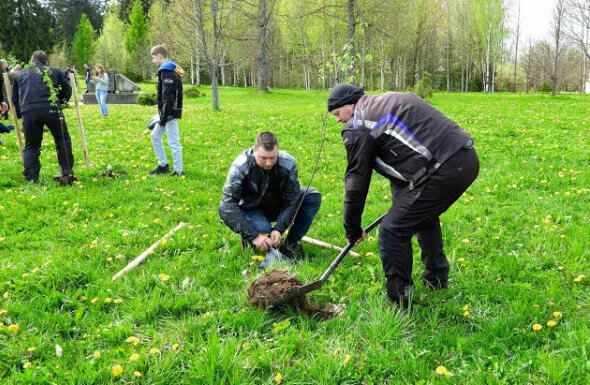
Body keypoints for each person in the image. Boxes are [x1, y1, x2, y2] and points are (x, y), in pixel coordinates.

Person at [327, 84, 479, 307]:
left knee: (393, 229)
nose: (338, 120)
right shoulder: (385, 101)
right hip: (463, 157)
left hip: (445, 167)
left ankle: (400, 299)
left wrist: (351, 227)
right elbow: (402, 159)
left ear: (350, 105)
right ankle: (436, 279)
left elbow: (356, 182)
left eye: (337, 114)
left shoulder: (360, 124)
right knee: (419, 215)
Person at [219, 132, 322, 259]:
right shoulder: (240, 166)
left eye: (273, 158)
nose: (268, 163)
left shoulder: (288, 163)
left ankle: (290, 244)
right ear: (254, 151)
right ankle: (255, 237)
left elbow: (292, 198)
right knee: (263, 232)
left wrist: (279, 228)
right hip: (251, 208)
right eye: (263, 158)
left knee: (311, 196)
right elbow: (226, 206)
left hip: (275, 204)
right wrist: (254, 236)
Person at [12, 50, 75, 185]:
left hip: (29, 111)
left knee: (32, 145)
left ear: (32, 60)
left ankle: (31, 178)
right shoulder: (55, 71)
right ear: (46, 61)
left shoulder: (21, 74)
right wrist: (62, 101)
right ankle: (66, 173)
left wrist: (19, 113)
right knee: (62, 140)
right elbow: (67, 89)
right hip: (52, 108)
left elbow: (15, 98)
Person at [149, 44, 184, 176]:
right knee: (155, 136)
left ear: (159, 56)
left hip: (170, 113)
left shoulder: (167, 71)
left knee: (173, 142)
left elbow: (168, 97)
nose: (153, 61)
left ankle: (178, 170)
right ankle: (163, 165)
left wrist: (163, 118)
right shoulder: (168, 69)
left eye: (153, 58)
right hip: (166, 113)